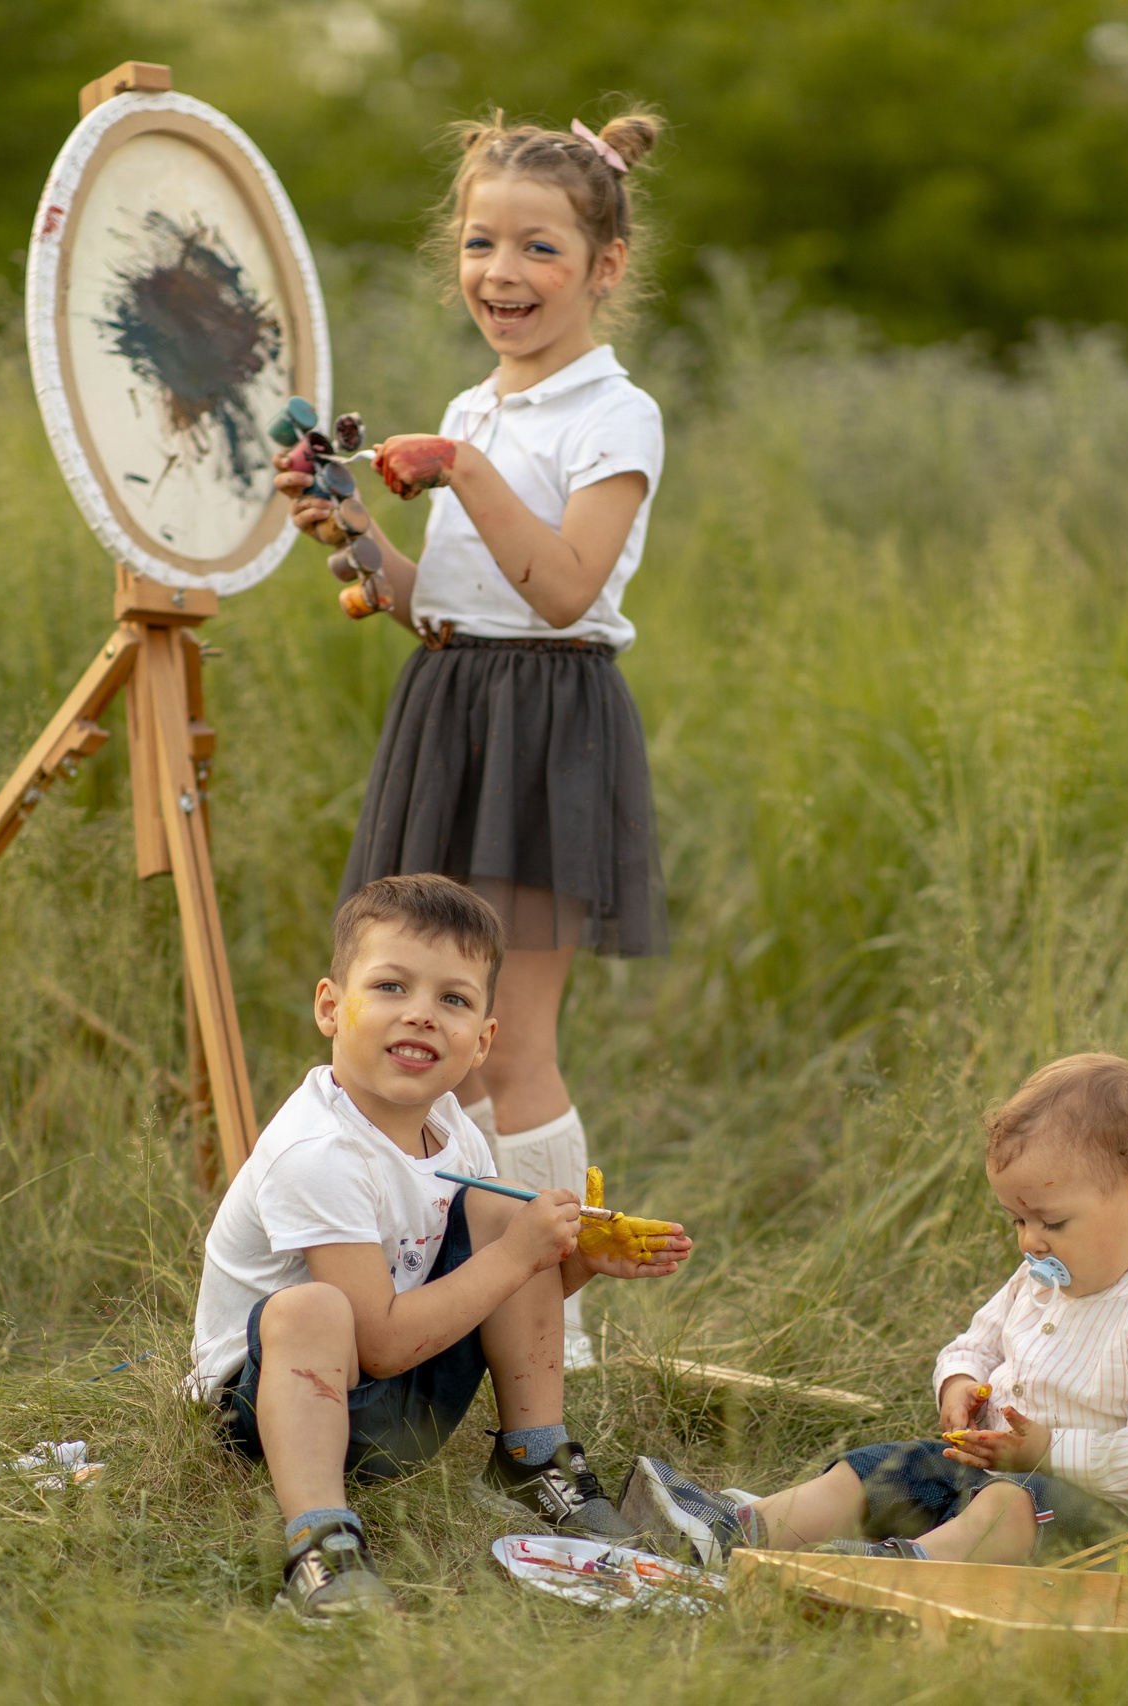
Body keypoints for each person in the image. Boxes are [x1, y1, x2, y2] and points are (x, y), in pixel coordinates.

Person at [277, 109, 672, 1370]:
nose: (501, 274)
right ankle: (440, 1278)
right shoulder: (472, 406)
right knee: (434, 1053)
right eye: (479, 242)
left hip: (548, 721)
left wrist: (459, 467)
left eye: (539, 249)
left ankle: (559, 1305)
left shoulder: (616, 417)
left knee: (512, 1046)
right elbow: (440, 598)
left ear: (603, 266)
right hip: (450, 709)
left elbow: (559, 589)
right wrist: (348, 535)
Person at [184, 875, 693, 1620]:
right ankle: (320, 1543)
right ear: (330, 1005)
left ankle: (534, 1459)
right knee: (315, 1307)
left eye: (452, 1000)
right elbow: (379, 1343)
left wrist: (574, 1259)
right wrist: (521, 1254)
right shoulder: (316, 1150)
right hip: (271, 1409)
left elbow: (491, 1295)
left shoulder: (454, 1128)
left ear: (483, 1039)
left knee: (497, 1212)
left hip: (388, 1388)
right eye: (390, 987)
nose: (421, 1014)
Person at [617, 1055, 1128, 1569]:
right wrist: (957, 1385)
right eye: (1018, 1220)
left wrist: (1046, 1452)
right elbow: (975, 1346)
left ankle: (904, 1569)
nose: (1029, 1242)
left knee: (1007, 1508)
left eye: (1052, 1222)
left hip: (1087, 1524)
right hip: (986, 1468)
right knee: (888, 1466)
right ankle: (744, 1531)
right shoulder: (1037, 1279)